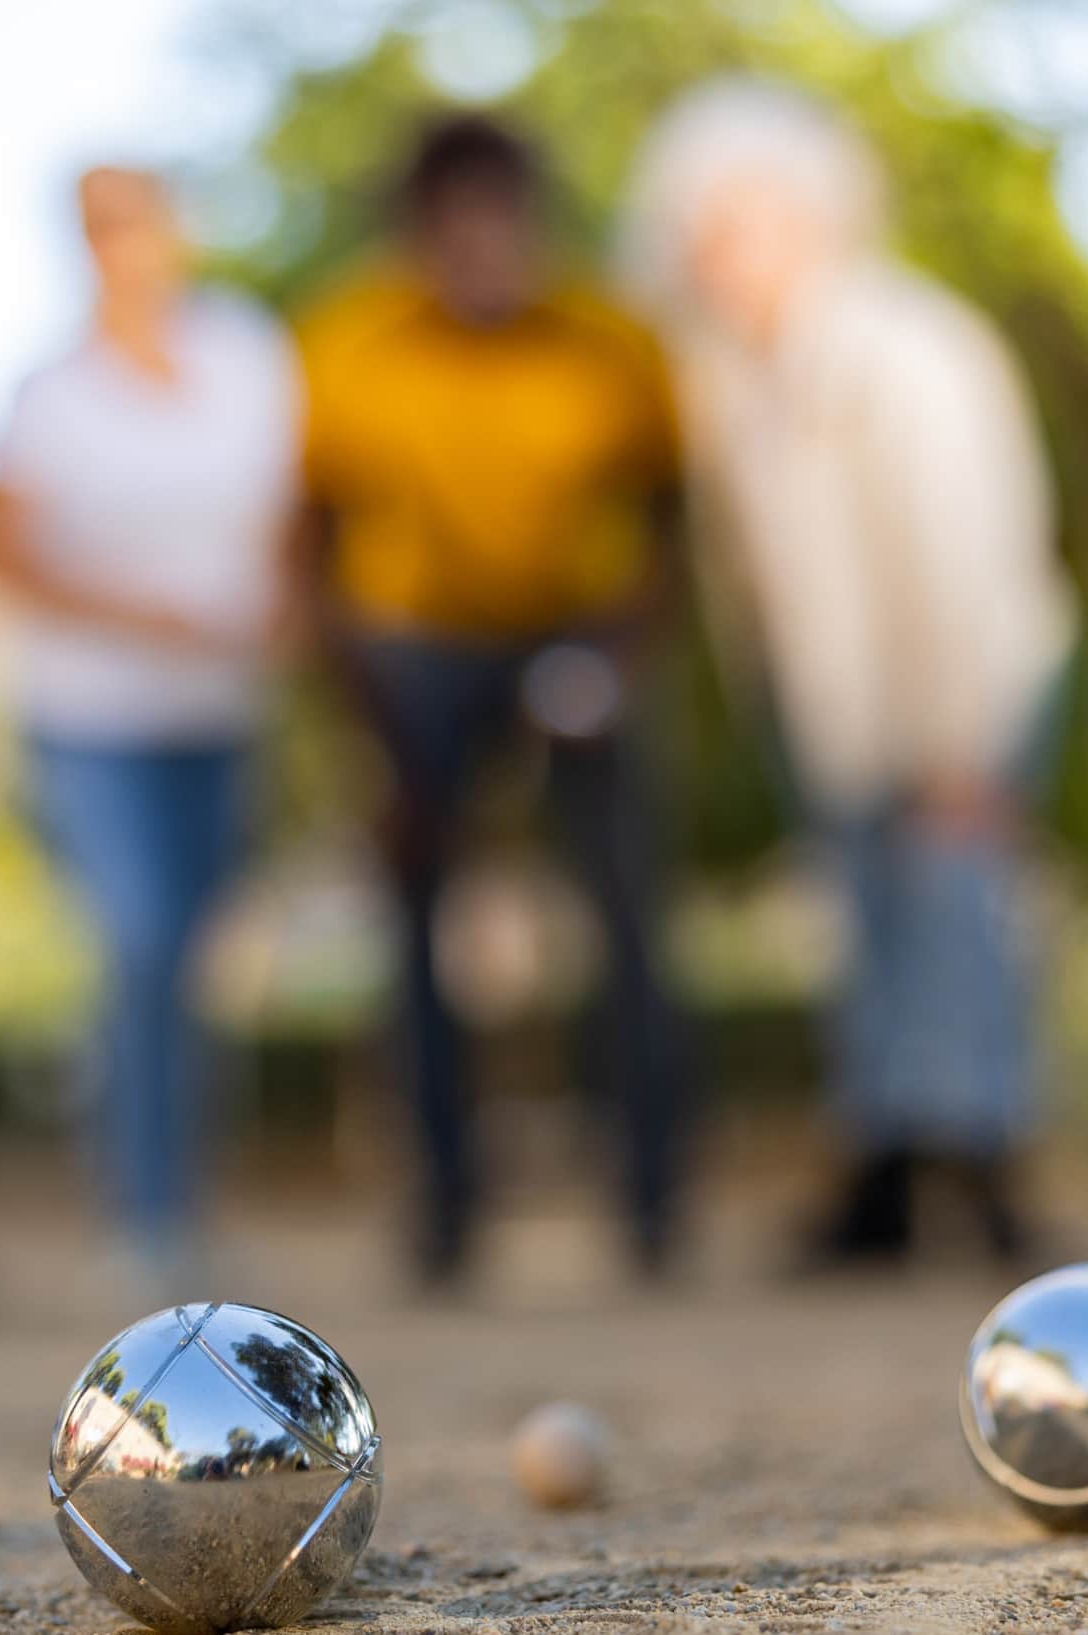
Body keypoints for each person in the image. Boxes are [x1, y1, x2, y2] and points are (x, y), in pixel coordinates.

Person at [621, 82, 1079, 1265]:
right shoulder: (734, 381)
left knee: (957, 916)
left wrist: (960, 739)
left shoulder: (908, 350)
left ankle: (985, 1175)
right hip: (836, 714)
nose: (713, 259)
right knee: (867, 932)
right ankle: (883, 1170)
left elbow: (964, 558)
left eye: (736, 229)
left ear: (808, 217)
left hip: (961, 692)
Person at [298, 115, 693, 1288]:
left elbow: (670, 519)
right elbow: (313, 549)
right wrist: (375, 736)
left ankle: (654, 1199)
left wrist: (614, 659)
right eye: (452, 222)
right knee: (418, 921)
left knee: (627, 903)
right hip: (411, 652)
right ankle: (444, 1206)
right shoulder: (348, 345)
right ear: (417, 232)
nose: (481, 245)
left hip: (576, 633)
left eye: (500, 218)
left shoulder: (611, 342)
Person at [0, 167, 302, 1293]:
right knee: (140, 938)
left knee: (194, 959)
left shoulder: (248, 355)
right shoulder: (51, 391)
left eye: (142, 221)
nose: (127, 245)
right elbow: (3, 555)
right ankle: (144, 1210)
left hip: (219, 712)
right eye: (102, 228)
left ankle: (185, 1203)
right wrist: (144, 615)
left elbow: (291, 516)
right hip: (92, 717)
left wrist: (278, 610)